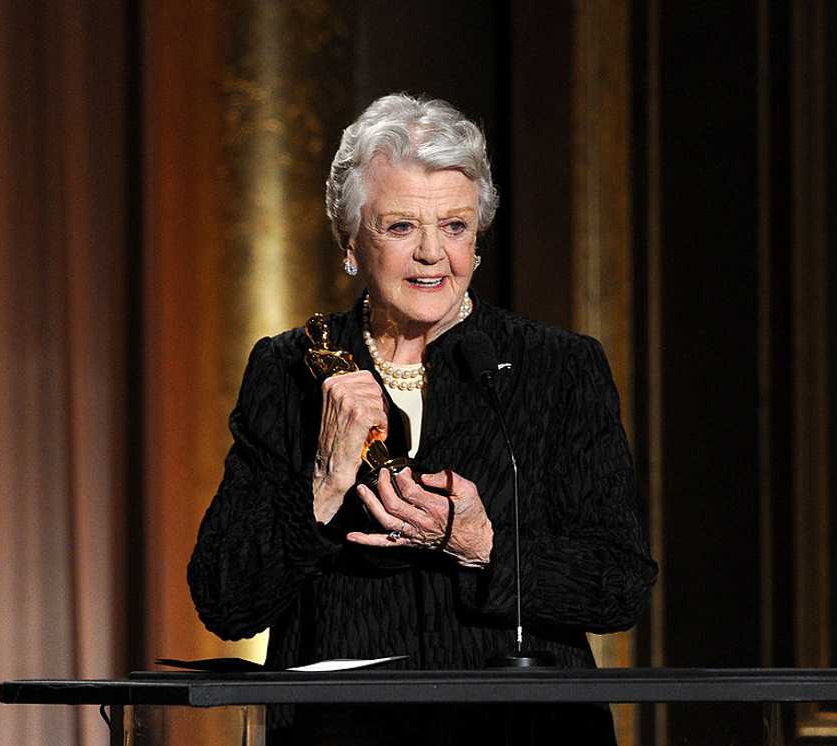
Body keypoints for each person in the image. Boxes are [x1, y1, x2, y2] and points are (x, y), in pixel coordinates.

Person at [188, 93, 658, 745]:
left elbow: (620, 585)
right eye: (402, 226)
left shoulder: (558, 367)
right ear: (351, 242)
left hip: (524, 734)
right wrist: (323, 483)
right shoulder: (289, 370)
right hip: (346, 734)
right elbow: (225, 598)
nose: (434, 254)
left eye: (456, 227)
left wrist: (485, 546)